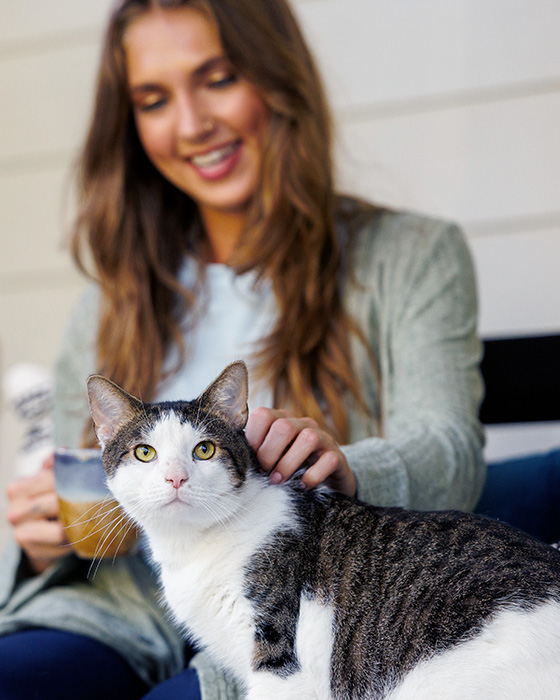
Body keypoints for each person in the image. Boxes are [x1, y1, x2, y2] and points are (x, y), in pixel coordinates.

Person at [0, 0, 485, 698]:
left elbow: (449, 445)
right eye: (154, 98)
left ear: (277, 79)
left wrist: (345, 467)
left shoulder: (411, 256)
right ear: (131, 125)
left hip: (280, 613)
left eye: (219, 78)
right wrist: (48, 536)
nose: (192, 124)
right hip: (114, 605)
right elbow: (86, 491)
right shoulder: (113, 294)